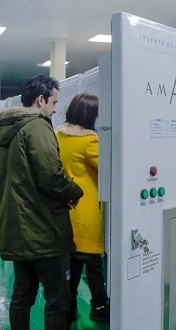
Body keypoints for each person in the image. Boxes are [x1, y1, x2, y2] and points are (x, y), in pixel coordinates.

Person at [0, 74, 84, 330]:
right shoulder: (37, 127)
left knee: (22, 296)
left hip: (17, 230)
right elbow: (51, 177)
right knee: (58, 300)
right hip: (44, 231)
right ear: (40, 100)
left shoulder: (5, 131)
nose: (55, 109)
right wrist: (75, 192)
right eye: (54, 102)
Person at [55, 93, 110, 323]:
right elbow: (109, 170)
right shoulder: (89, 142)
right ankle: (99, 306)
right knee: (93, 261)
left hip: (68, 208)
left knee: (73, 261)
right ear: (89, 116)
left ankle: (68, 308)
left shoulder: (59, 134)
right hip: (87, 211)